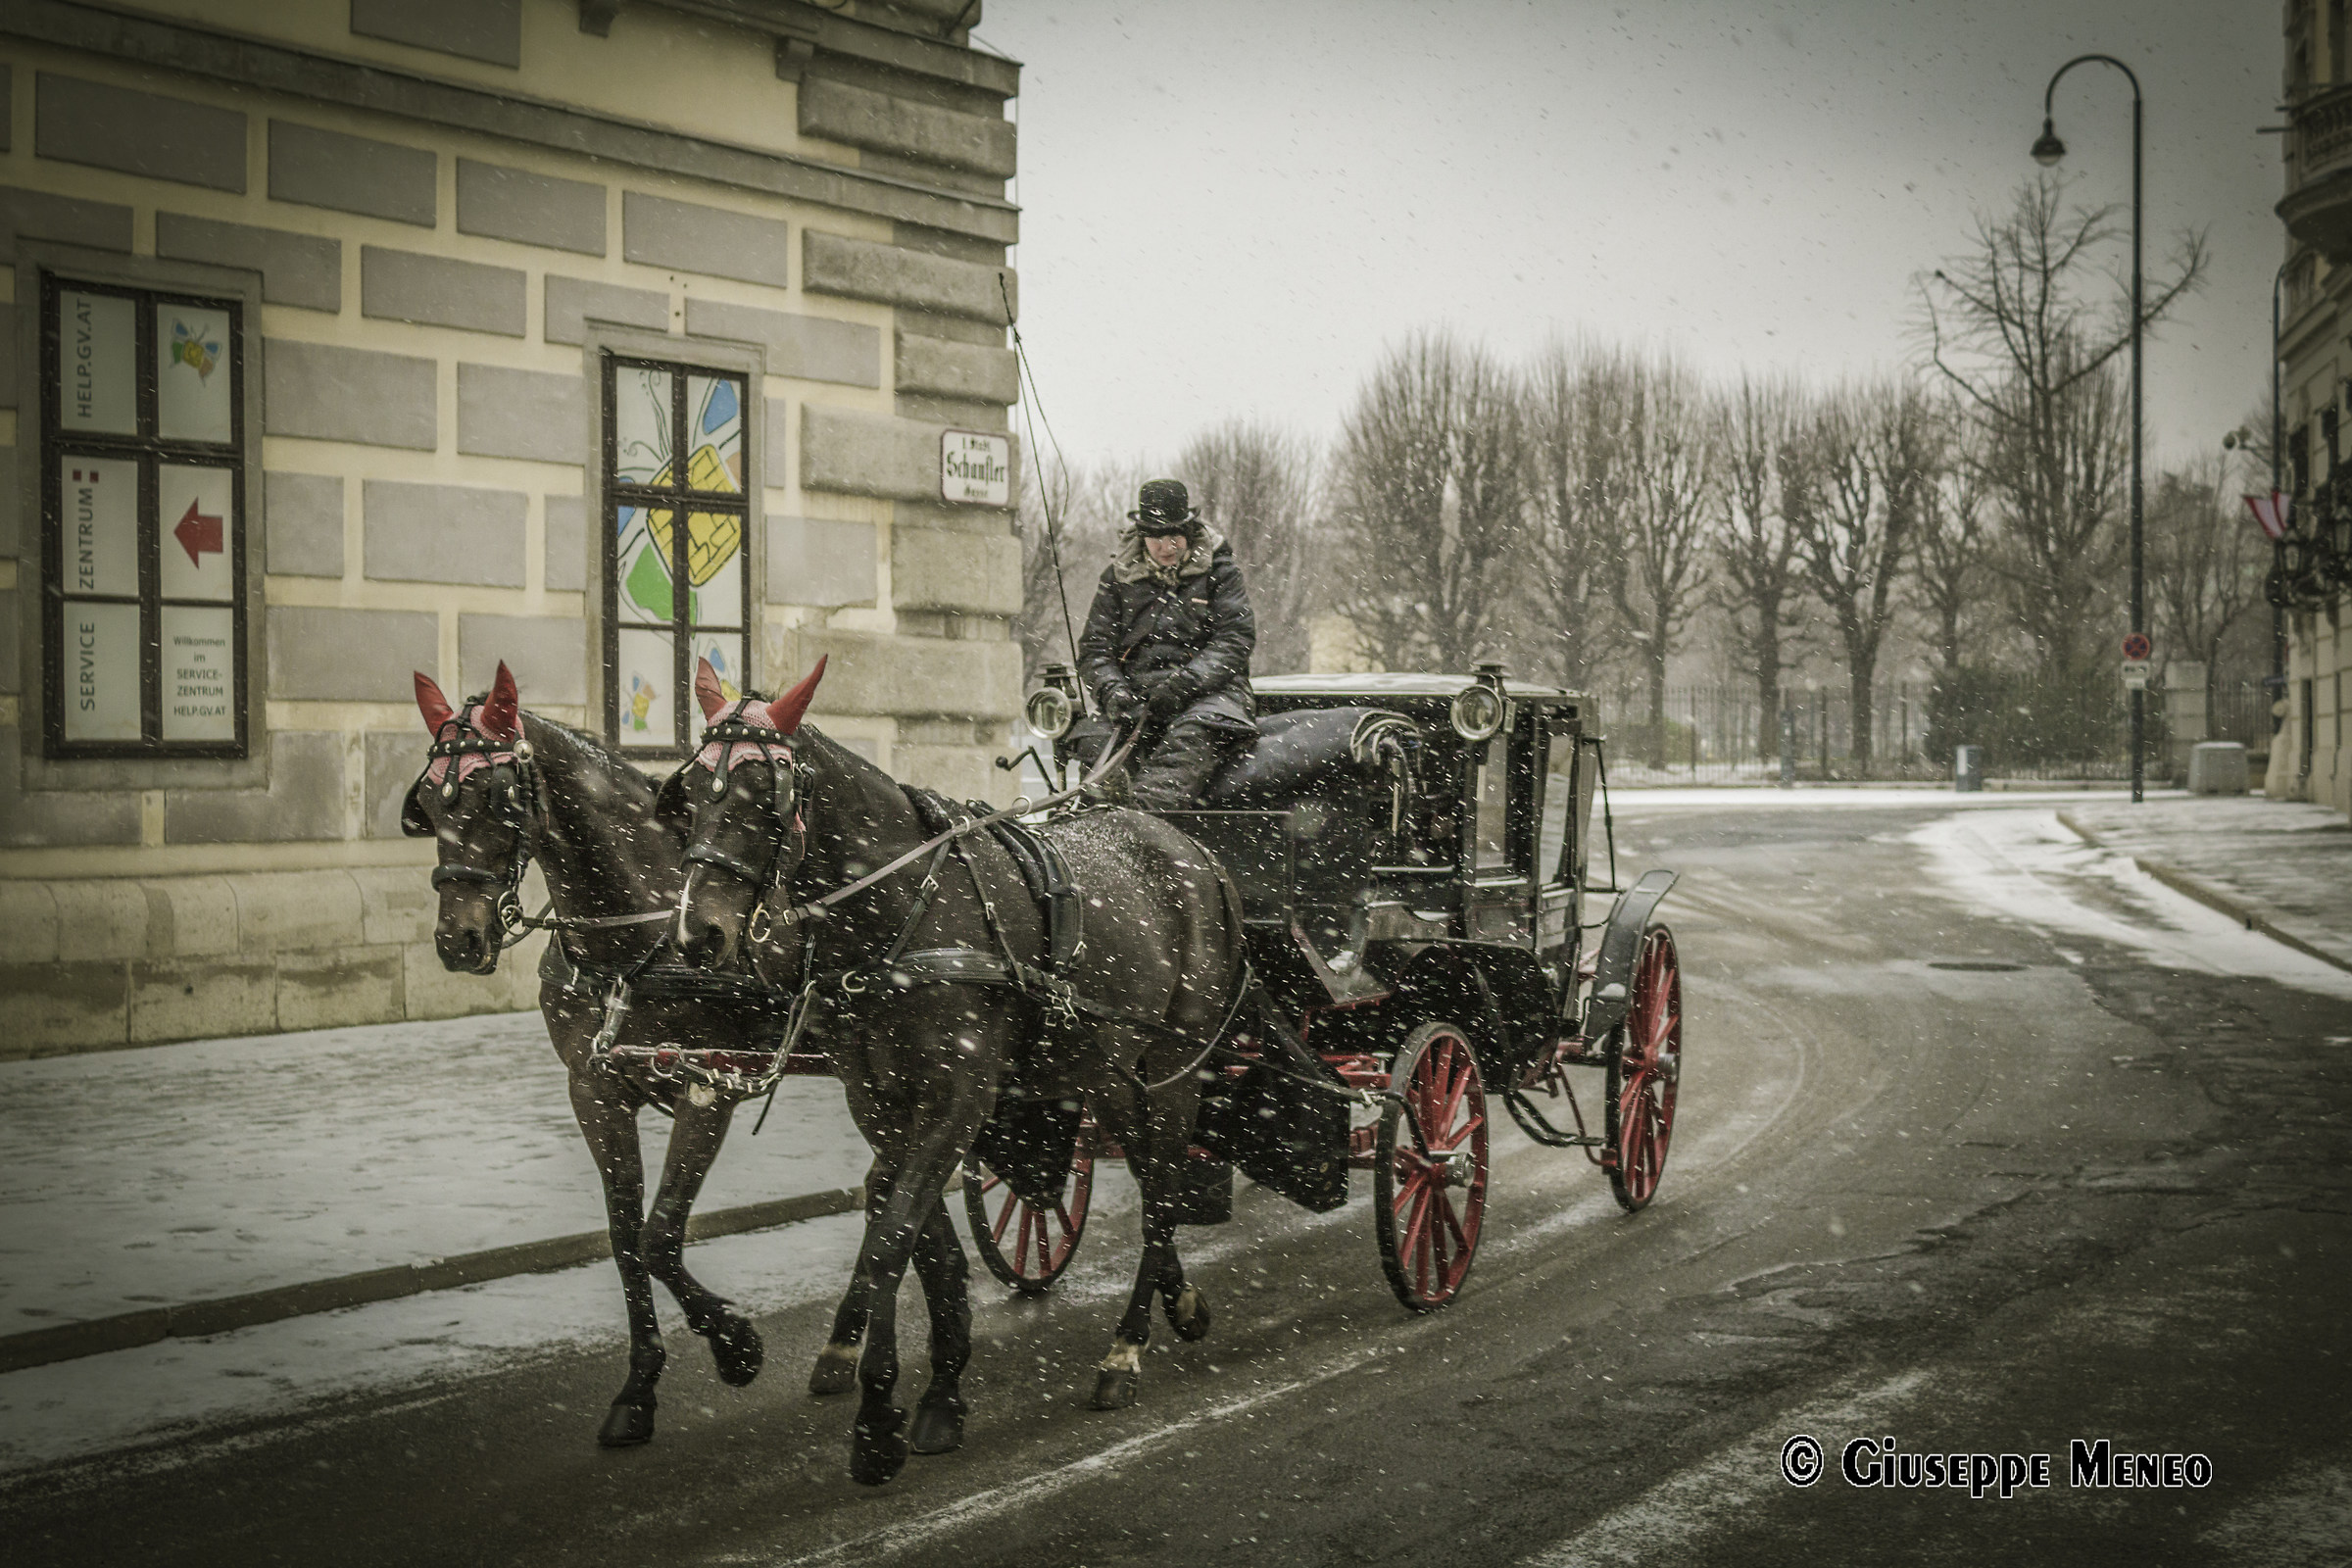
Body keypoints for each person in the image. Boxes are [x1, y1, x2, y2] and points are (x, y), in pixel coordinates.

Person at [1077, 478, 1258, 808]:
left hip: (1212, 695)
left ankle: (1143, 817)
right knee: (1094, 740)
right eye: (1156, 537)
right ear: (1141, 535)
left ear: (1189, 531)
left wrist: (1185, 684)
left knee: (1190, 737)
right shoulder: (1115, 579)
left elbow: (1235, 639)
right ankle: (1103, 810)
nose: (1166, 547)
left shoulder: (1221, 573)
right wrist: (1114, 693)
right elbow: (1094, 651)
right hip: (1135, 695)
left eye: (1174, 535)